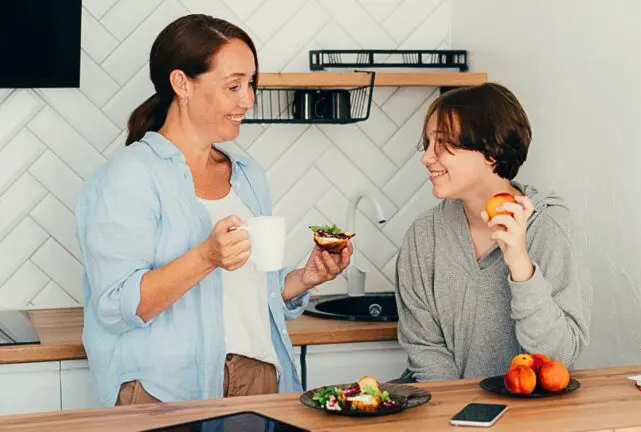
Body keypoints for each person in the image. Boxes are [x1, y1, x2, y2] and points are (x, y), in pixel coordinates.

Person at [75, 14, 351, 406]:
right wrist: (206, 256)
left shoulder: (246, 175)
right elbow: (116, 307)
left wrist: (304, 279)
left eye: (251, 83)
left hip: (257, 377)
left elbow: (250, 293)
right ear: (181, 83)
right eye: (233, 86)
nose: (248, 99)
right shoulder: (129, 177)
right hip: (162, 389)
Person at [393, 83, 592, 382]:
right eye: (428, 143)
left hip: (530, 418)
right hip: (442, 412)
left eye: (444, 143)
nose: (427, 157)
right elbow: (425, 350)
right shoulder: (424, 236)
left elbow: (558, 357)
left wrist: (521, 268)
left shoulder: (549, 228)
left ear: (491, 151)